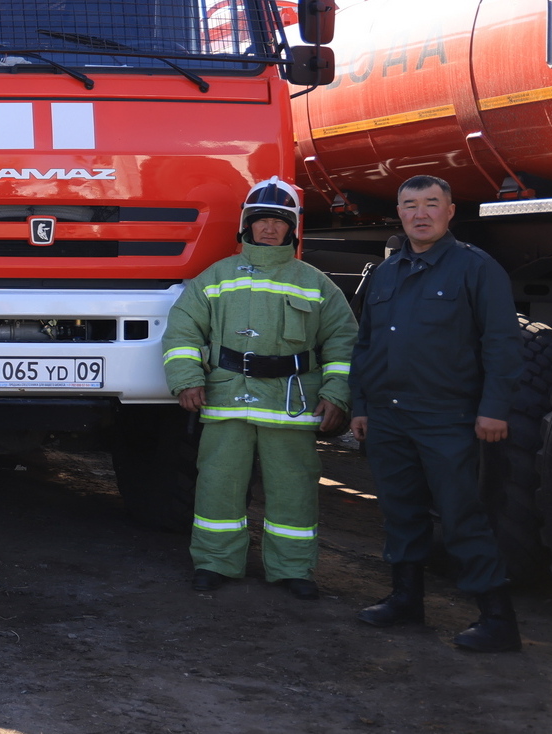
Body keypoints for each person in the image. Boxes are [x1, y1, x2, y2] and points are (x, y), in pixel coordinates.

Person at [351, 174, 524, 652]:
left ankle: (497, 620)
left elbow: (502, 344)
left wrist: (493, 409)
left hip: (447, 417)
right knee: (400, 511)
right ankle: (406, 600)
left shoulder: (476, 268)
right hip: (388, 416)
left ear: (450, 211)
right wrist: (361, 407)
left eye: (431, 203)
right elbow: (365, 346)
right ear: (400, 213)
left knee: (462, 514)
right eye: (410, 205)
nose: (420, 213)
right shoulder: (385, 272)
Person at [162, 177, 356, 598]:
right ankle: (215, 563)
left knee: (295, 488)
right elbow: (181, 331)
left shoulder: (317, 283)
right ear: (246, 226)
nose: (269, 228)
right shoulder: (215, 277)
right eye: (261, 220)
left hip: (290, 404)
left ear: (293, 229)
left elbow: (344, 342)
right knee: (217, 482)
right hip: (226, 398)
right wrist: (187, 379)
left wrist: (336, 392)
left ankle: (292, 570)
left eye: (279, 221)